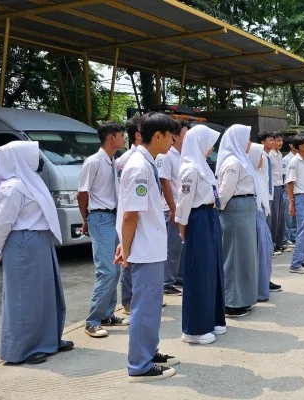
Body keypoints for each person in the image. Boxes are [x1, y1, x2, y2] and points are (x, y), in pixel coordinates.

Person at [0, 141, 73, 365]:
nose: (37, 160)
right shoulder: (13, 187)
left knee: (46, 294)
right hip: (23, 242)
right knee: (24, 298)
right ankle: (22, 350)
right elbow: (3, 223)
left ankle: (48, 340)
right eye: (32, 155)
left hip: (39, 241)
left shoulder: (29, 181)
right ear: (18, 159)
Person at [115, 112, 180, 382]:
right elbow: (131, 214)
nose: (173, 140)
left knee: (152, 305)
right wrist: (126, 249)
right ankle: (139, 365)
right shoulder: (139, 167)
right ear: (158, 136)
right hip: (143, 249)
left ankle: (149, 352)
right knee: (144, 306)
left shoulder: (147, 162)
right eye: (170, 135)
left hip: (150, 246)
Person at [175, 125, 226, 345]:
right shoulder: (190, 169)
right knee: (199, 272)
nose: (211, 147)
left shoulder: (203, 166)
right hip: (197, 220)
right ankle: (194, 329)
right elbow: (184, 204)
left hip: (210, 216)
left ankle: (213, 318)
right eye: (209, 142)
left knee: (213, 270)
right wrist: (183, 230)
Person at [78, 121, 128, 338]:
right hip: (100, 217)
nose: (124, 139)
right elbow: (82, 194)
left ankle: (107, 314)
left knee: (115, 268)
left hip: (112, 217)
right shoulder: (94, 162)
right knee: (106, 270)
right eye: (121, 135)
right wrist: (86, 219)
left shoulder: (112, 161)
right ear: (111, 138)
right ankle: (92, 321)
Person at [216, 125, 261, 317]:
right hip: (236, 209)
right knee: (235, 256)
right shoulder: (233, 162)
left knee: (245, 255)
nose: (250, 143)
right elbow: (224, 192)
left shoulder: (240, 160)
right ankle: (232, 302)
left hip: (244, 209)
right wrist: (218, 208)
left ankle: (243, 298)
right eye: (247, 139)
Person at [158, 120, 189, 297]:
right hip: (171, 207)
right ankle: (166, 282)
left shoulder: (183, 155)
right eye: (185, 134)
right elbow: (165, 182)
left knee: (180, 245)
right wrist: (172, 207)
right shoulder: (166, 156)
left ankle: (177, 277)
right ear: (175, 136)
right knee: (172, 246)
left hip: (182, 207)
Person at [115, 117, 140, 314]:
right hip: (129, 213)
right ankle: (128, 301)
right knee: (128, 257)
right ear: (138, 135)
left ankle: (139, 297)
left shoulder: (148, 157)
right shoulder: (125, 160)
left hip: (140, 214)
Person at [248, 143, 278, 301]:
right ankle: (259, 288)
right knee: (260, 252)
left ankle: (264, 283)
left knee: (266, 251)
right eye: (259, 156)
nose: (262, 160)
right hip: (254, 216)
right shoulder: (249, 175)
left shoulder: (258, 173)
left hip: (261, 215)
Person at [286, 135, 304, 273]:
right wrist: (291, 203)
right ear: (301, 146)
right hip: (299, 197)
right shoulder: (294, 162)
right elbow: (290, 183)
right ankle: (296, 264)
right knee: (302, 231)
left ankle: (303, 260)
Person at [270, 133, 287, 254]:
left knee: (281, 217)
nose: (280, 143)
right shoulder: (270, 155)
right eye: (277, 140)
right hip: (273, 187)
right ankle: (273, 244)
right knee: (274, 217)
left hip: (280, 186)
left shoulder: (279, 154)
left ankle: (280, 242)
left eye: (281, 140)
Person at [282, 137, 298, 247]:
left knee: (296, 215)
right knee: (289, 215)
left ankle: (294, 236)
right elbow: (285, 177)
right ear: (291, 145)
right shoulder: (286, 159)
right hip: (289, 188)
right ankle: (288, 237)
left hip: (299, 189)